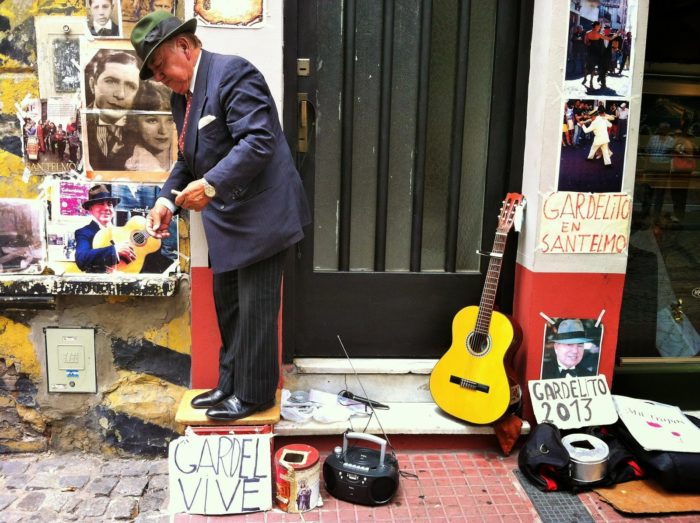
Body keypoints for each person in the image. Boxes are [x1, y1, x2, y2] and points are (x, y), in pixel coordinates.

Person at [130, 12, 310, 421]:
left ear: (184, 46)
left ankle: (255, 396)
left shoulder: (233, 73)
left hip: (263, 216)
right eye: (153, 74)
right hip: (228, 220)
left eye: (159, 67)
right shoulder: (182, 98)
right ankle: (230, 385)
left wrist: (210, 186)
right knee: (229, 306)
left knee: (257, 310)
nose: (159, 78)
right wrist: (166, 201)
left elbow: (260, 140)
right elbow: (188, 159)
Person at [85, 50, 141, 170]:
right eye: (111, 81)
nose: (120, 95)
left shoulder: (143, 132)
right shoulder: (79, 122)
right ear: (92, 84)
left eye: (131, 86)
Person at [74, 184, 137, 273]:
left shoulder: (121, 231)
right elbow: (81, 260)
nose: (107, 208)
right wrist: (115, 250)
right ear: (91, 209)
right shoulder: (84, 232)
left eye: (109, 204)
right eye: (100, 204)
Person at [124, 82, 174, 172]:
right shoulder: (130, 165)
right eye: (152, 121)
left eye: (170, 120)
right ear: (135, 123)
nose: (163, 130)